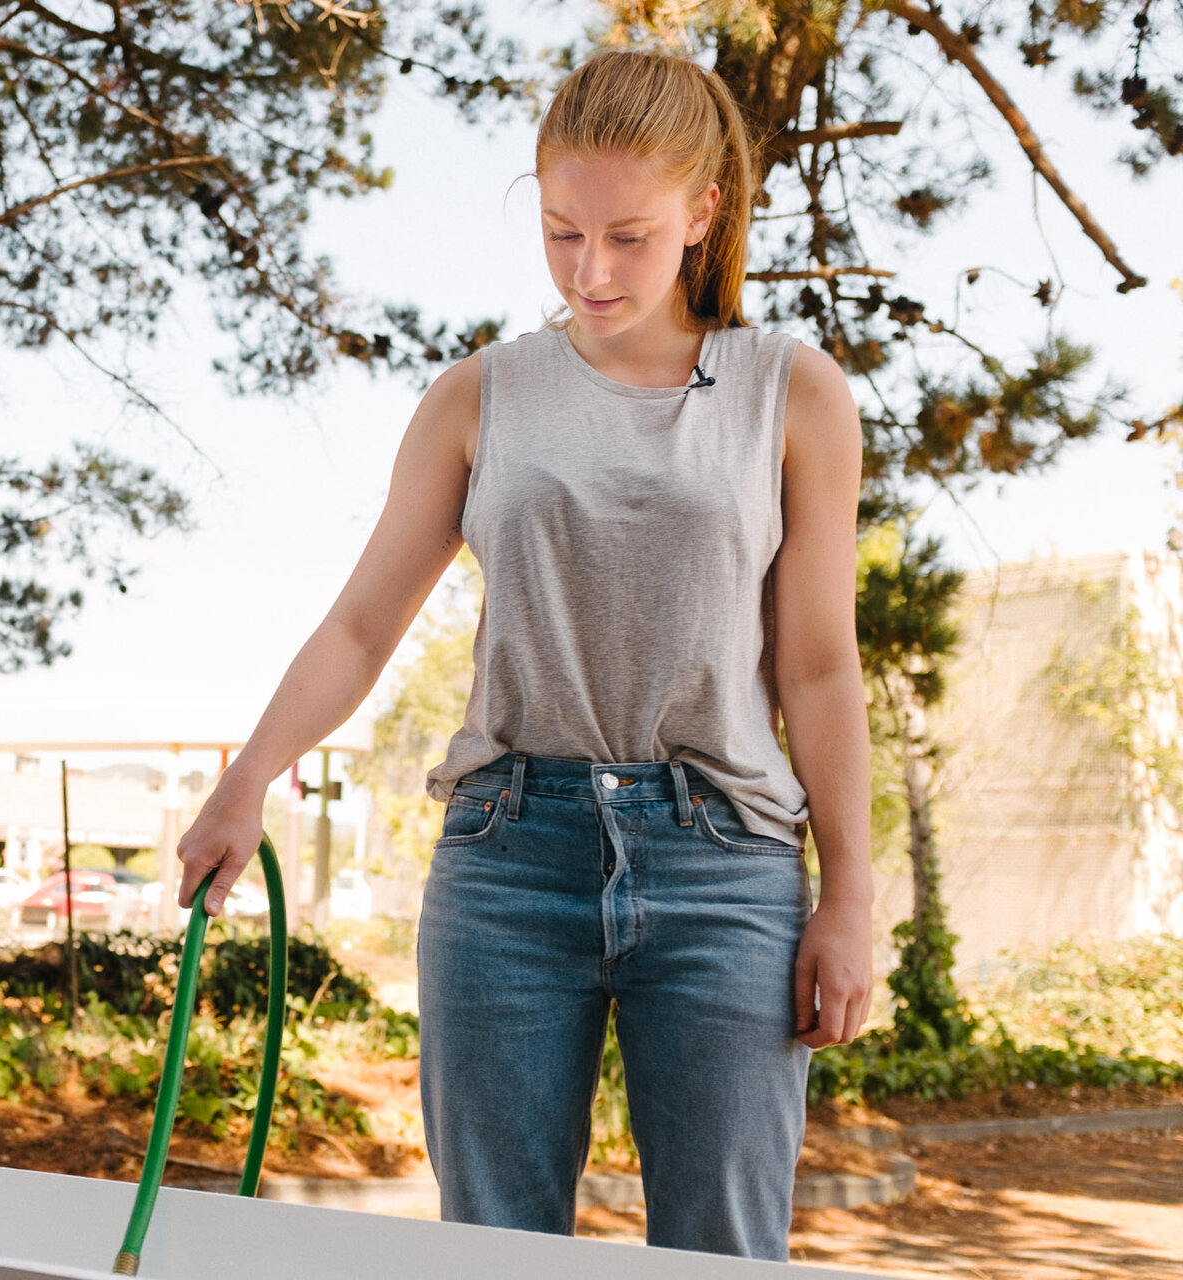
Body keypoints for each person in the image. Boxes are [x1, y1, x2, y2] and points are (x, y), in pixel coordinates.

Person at [175, 50, 871, 1260]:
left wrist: (854, 892)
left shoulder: (793, 396)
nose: (591, 272)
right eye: (561, 232)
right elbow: (359, 624)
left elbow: (816, 667)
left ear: (704, 213)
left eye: (629, 237)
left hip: (726, 869)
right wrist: (251, 774)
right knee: (490, 1251)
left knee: (720, 1247)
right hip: (508, 860)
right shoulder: (481, 394)